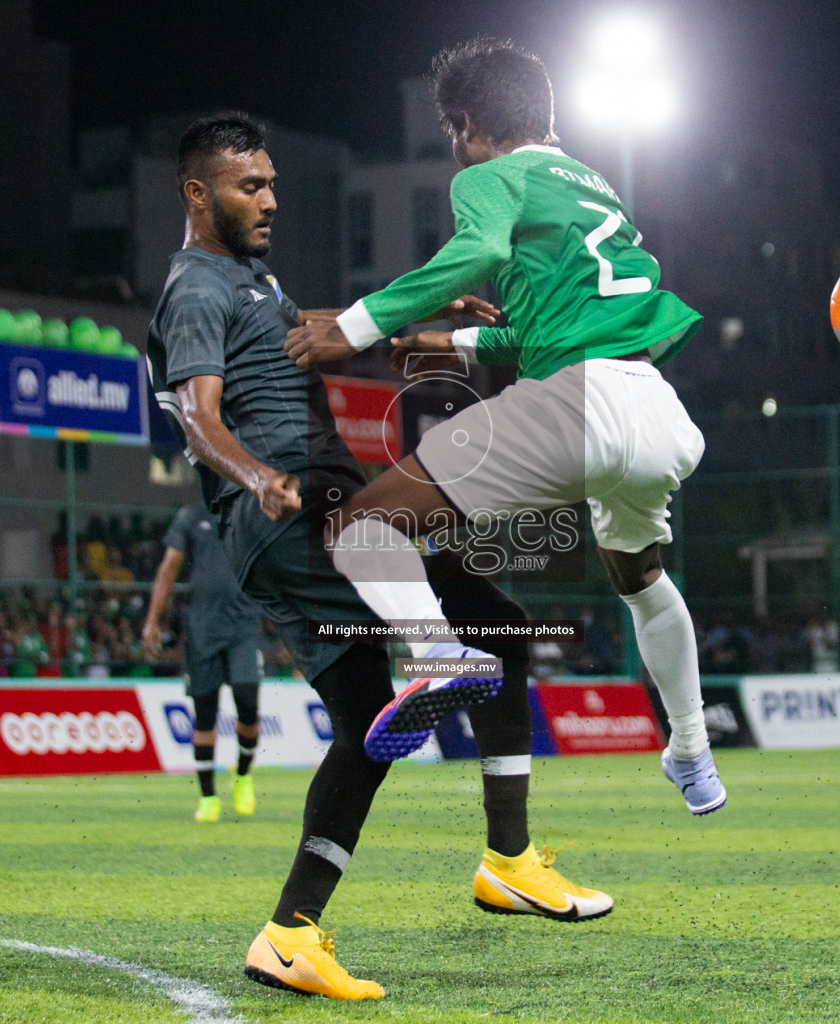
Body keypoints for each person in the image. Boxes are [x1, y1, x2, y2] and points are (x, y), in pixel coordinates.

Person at [144, 112, 611, 1001]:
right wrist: (255, 476)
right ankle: (495, 827)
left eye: (274, 181)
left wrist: (424, 310)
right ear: (198, 195)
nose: (272, 199)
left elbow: (299, 329)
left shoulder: (246, 279)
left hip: (318, 507)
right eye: (252, 186)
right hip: (294, 512)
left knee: (386, 709)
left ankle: (292, 935)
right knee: (487, 635)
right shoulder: (195, 288)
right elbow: (197, 415)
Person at [283, 39, 724, 816]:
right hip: (654, 412)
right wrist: (444, 343)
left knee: (361, 528)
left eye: (453, 135)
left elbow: (475, 251)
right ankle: (691, 751)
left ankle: (440, 654)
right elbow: (554, 325)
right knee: (641, 579)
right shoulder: (593, 184)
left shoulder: (493, 174)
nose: (456, 153)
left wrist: (352, 327)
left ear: (469, 126)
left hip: (575, 407)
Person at [143, 504, 267, 822]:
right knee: (205, 715)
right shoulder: (191, 516)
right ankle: (209, 797)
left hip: (243, 627)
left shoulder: (251, 514)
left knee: (248, 704)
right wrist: (152, 620)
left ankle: (242, 776)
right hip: (202, 632)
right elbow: (170, 566)